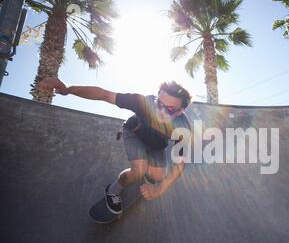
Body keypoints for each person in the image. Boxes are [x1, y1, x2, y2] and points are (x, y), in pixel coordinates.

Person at [37, 77, 192, 215]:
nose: (161, 111)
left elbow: (180, 164)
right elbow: (104, 95)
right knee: (139, 170)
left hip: (157, 145)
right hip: (134, 133)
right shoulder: (142, 103)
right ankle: (113, 190)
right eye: (159, 103)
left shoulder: (183, 128)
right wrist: (67, 89)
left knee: (158, 177)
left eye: (170, 109)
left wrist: (160, 189)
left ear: (181, 111)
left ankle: (149, 173)